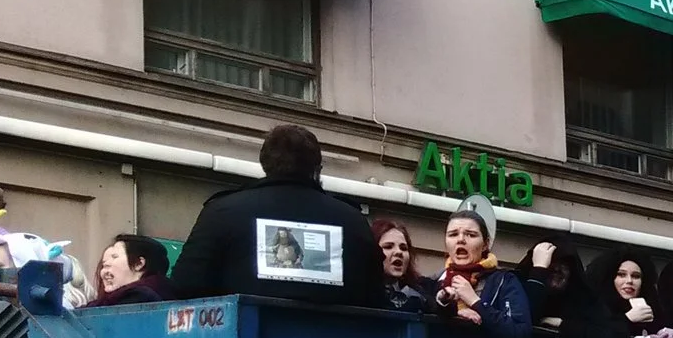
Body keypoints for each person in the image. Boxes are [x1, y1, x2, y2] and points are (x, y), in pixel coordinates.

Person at [171, 124, 384, 307]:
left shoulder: (223, 211)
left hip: (240, 337)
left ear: (264, 163)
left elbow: (185, 285)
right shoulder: (353, 220)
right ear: (317, 168)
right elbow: (375, 298)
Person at [428, 196, 531, 334]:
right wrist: (450, 308)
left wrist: (475, 302)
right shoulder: (436, 280)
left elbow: (520, 334)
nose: (460, 240)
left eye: (471, 235)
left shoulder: (505, 281)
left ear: (485, 244)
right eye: (453, 234)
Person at [565, 248, 673, 338]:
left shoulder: (653, 310)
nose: (629, 281)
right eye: (621, 275)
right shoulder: (592, 308)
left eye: (636, 276)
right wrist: (627, 319)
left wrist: (664, 333)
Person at [88, 234, 176, 307]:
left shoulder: (139, 296)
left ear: (139, 264)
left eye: (115, 257)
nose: (106, 265)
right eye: (104, 263)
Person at [516, 240, 587, 330]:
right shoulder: (513, 288)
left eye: (563, 265)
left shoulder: (582, 303)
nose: (557, 269)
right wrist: (539, 271)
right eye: (551, 264)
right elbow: (519, 319)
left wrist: (563, 324)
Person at [373, 219, 433, 314]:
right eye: (388, 247)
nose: (399, 252)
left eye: (403, 248)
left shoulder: (422, 294)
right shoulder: (361, 294)